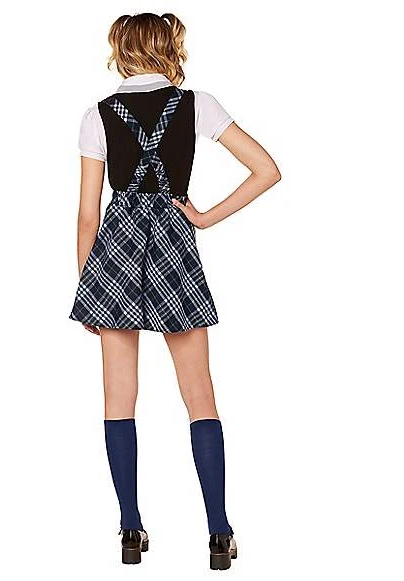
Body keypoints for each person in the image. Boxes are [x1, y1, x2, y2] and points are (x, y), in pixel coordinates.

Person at [68, 12, 281, 570]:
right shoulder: (197, 104)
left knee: (118, 399)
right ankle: (219, 532)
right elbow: (266, 169)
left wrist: (89, 287)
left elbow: (88, 213)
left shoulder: (97, 114)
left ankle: (129, 528)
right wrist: (204, 218)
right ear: (170, 48)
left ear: (121, 51)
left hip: (115, 255)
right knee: (200, 395)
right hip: (173, 251)